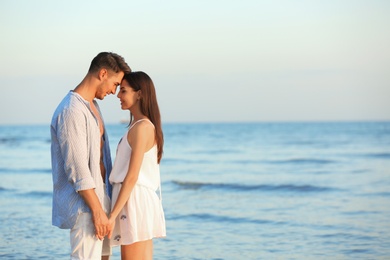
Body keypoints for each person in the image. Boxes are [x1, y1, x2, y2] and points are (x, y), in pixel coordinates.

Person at [50, 52, 131, 260]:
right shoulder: (71, 110)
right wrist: (96, 211)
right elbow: (77, 169)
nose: (114, 91)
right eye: (114, 84)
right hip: (85, 208)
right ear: (103, 73)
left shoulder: (93, 107)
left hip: (101, 201)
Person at [107, 71, 166, 260]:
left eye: (123, 91)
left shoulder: (143, 128)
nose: (118, 95)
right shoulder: (138, 126)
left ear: (139, 94)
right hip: (133, 200)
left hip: (135, 200)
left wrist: (112, 215)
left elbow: (132, 177)